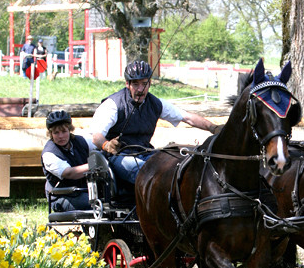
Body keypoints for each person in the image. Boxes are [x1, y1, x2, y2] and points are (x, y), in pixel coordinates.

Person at [91, 60, 219, 185]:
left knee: (177, 163)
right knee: (147, 171)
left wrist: (212, 127)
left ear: (150, 84)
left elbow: (187, 117)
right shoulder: (113, 104)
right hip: (118, 156)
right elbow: (96, 136)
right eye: (135, 84)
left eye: (144, 83)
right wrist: (106, 145)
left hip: (145, 153)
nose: (140, 89)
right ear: (127, 84)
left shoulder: (156, 103)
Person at [41, 110, 95, 212]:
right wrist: (94, 164)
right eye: (56, 133)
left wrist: (108, 146)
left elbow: (98, 144)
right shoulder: (49, 154)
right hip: (62, 196)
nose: (61, 136)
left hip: (83, 191)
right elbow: (70, 173)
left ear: (70, 130)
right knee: (96, 204)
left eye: (64, 131)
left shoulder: (80, 141)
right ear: (51, 134)